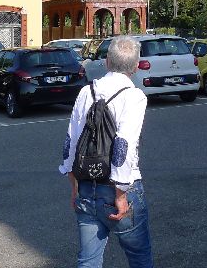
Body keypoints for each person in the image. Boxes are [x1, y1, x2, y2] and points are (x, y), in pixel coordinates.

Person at [59, 36, 153, 268]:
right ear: (136, 66)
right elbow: (123, 145)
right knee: (139, 257)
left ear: (107, 61)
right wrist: (120, 195)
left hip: (86, 186)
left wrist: (74, 184)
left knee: (88, 260)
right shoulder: (134, 96)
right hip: (118, 189)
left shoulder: (86, 92)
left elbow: (71, 141)